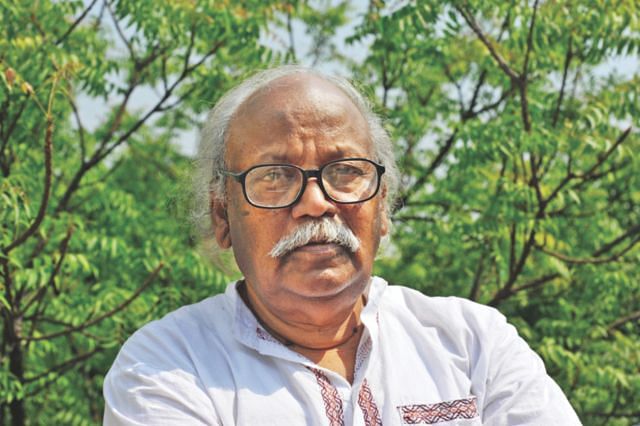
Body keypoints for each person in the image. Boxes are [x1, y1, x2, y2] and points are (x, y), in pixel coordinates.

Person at [103, 66, 581, 425]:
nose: (316, 202)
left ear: (382, 204)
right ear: (222, 215)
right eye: (275, 176)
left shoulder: (472, 343)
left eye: (346, 171)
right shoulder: (167, 367)